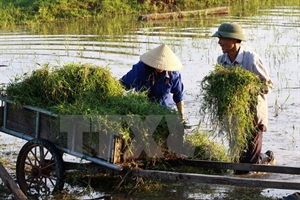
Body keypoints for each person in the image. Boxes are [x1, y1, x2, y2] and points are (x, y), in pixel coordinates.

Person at [211, 22, 274, 172]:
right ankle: (264, 157)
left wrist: (247, 88)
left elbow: (268, 86)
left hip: (252, 116)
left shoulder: (251, 59)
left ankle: (263, 161)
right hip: (234, 117)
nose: (219, 42)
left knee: (247, 166)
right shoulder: (222, 61)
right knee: (238, 159)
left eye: (222, 39)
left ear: (233, 40)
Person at [120, 44, 185, 122]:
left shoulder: (174, 75)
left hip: (164, 107)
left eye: (162, 65)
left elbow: (178, 97)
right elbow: (124, 84)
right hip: (142, 105)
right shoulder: (141, 68)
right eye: (157, 64)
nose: (159, 67)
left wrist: (182, 118)